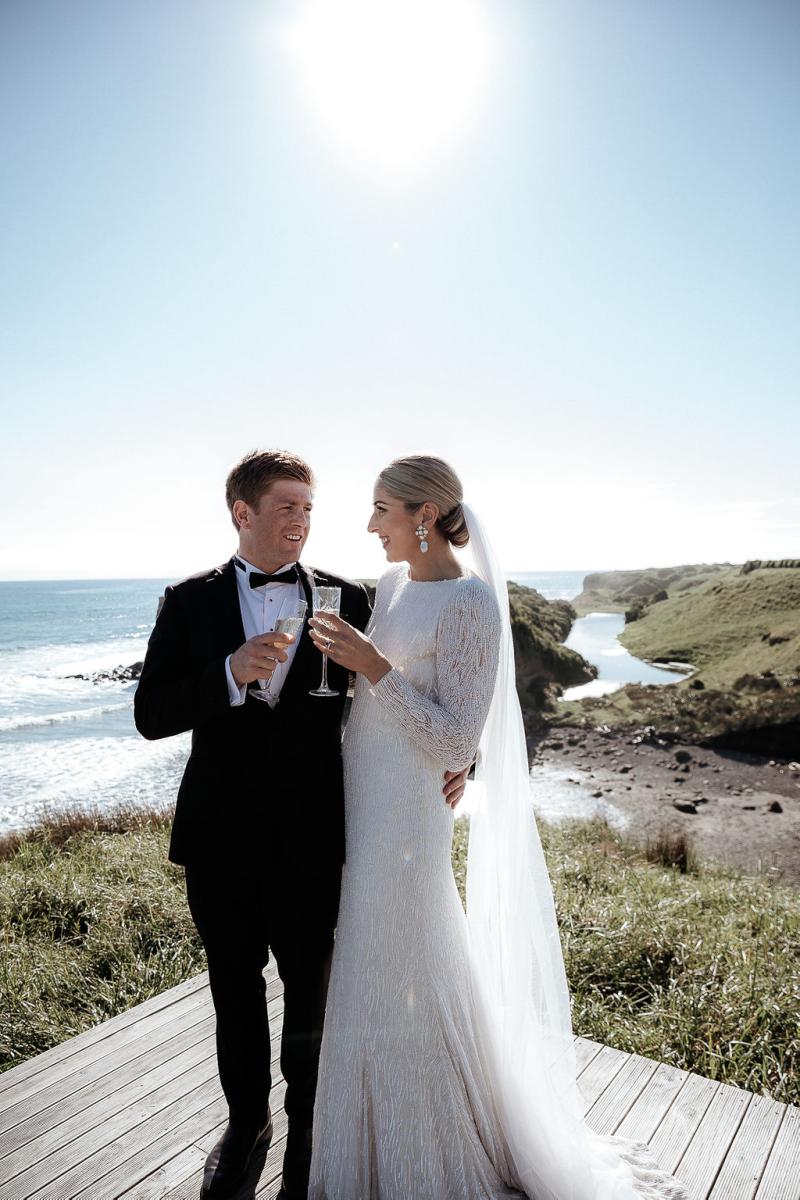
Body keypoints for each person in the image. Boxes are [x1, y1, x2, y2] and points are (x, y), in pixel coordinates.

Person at [305, 455, 689, 1199]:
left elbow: (455, 740)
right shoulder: (388, 585)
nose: (368, 523)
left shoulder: (472, 604)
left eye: (380, 507)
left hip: (409, 817)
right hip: (360, 796)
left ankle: (438, 1146)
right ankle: (370, 1141)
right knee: (367, 967)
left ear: (422, 514)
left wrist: (375, 668)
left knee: (410, 964)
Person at [134, 448, 472, 1200]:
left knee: (312, 997)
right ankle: (247, 1123)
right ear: (242, 513)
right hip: (219, 840)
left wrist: (464, 756)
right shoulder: (188, 602)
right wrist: (228, 674)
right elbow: (149, 715)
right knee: (234, 990)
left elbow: (417, 675)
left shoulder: (354, 599)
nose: (303, 521)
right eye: (287, 506)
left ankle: (311, 1137)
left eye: (309, 507)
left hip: (316, 841)